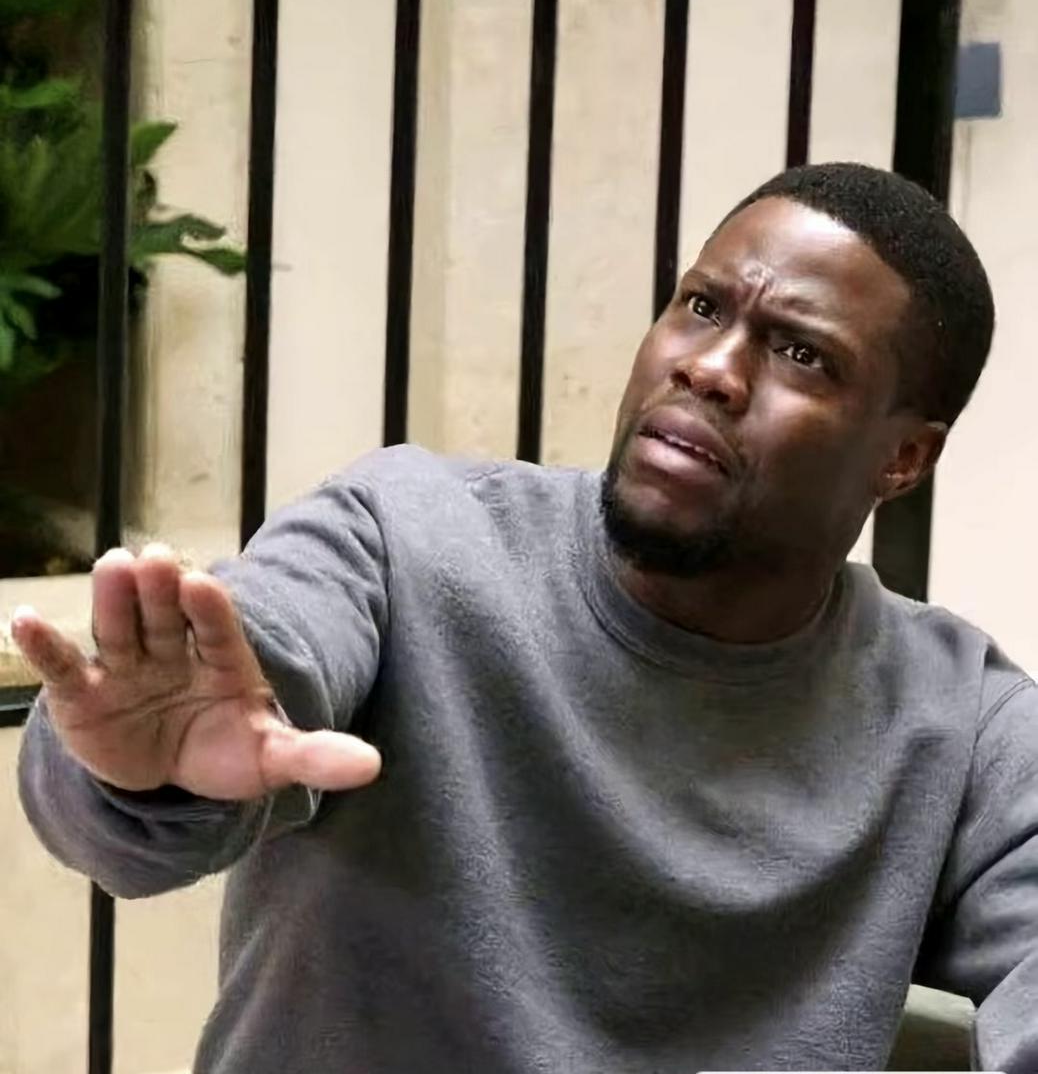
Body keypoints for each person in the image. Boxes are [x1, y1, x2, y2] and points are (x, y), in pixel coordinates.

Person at [14, 162, 1036, 1073]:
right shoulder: (405, 536)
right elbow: (248, 671)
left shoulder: (958, 724)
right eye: (700, 306)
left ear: (905, 458)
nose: (711, 369)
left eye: (801, 355)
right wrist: (148, 771)